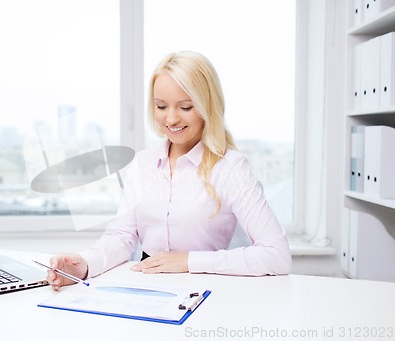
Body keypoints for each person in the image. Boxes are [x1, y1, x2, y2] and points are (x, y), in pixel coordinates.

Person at [47, 51, 292, 290]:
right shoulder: (143, 164)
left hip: (205, 290)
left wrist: (187, 261)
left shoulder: (230, 167)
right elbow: (121, 237)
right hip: (146, 288)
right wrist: (84, 265)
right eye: (161, 106)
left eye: (185, 107)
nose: (171, 119)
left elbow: (276, 255)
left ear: (207, 107)